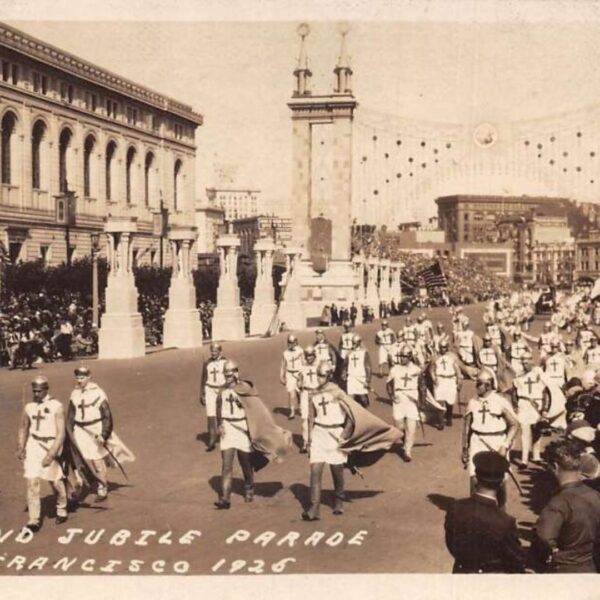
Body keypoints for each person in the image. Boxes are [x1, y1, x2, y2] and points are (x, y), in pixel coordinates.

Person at [215, 360, 292, 509]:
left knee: (245, 463)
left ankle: (249, 486)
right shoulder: (222, 391)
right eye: (226, 375)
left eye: (230, 375)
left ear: (235, 373)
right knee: (226, 465)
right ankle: (225, 498)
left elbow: (254, 403)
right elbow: (218, 407)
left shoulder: (244, 389)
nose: (228, 378)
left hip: (242, 428)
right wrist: (219, 424)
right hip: (228, 428)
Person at [445, 451, 525, 573]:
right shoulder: (505, 522)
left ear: (476, 479)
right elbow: (515, 562)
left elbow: (451, 544)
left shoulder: (456, 507)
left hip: (461, 573)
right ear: (502, 483)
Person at [67, 366, 133, 502]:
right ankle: (81, 486)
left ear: (89, 377)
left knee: (97, 460)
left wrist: (104, 434)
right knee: (77, 459)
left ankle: (102, 487)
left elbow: (107, 415)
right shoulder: (75, 393)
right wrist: (68, 431)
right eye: (78, 377)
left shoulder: (98, 393)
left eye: (83, 377)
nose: (80, 380)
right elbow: (71, 415)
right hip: (80, 430)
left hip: (95, 429)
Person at [533, 438, 600, 572]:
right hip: (590, 567)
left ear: (555, 466)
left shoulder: (558, 502)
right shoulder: (595, 495)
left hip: (564, 570)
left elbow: (544, 537)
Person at [302, 362, 354, 521]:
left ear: (330, 375)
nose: (318, 378)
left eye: (322, 375)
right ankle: (314, 508)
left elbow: (352, 417)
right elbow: (311, 418)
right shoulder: (313, 394)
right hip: (319, 433)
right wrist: (309, 441)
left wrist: (344, 435)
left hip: (335, 434)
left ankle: (339, 499)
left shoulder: (339, 393)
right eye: (317, 374)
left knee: (336, 470)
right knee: (315, 471)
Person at [16, 375, 68, 532]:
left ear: (46, 389)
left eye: (39, 391)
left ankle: (62, 508)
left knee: (55, 481)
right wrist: (21, 447)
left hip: (50, 445)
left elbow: (61, 434)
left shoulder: (57, 406)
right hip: (33, 445)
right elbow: (23, 428)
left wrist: (51, 454)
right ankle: (34, 519)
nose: (36, 394)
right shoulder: (29, 407)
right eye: (34, 391)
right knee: (32, 482)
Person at [462, 369, 519, 507]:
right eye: (477, 383)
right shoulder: (472, 402)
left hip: (497, 440)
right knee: (474, 478)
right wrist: (464, 448)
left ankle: (501, 511)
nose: (477, 387)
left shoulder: (500, 401)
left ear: (488, 385)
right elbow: (466, 428)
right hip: (477, 440)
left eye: (480, 384)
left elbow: (514, 425)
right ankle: (476, 511)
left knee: (499, 480)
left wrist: (505, 445)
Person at [512, 352, 551, 469]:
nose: (525, 364)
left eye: (527, 361)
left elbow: (545, 393)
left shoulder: (538, 374)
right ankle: (524, 460)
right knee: (525, 432)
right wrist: (515, 405)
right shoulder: (518, 376)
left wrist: (544, 409)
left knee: (537, 432)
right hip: (523, 405)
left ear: (532, 361)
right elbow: (514, 393)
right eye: (523, 362)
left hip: (537, 404)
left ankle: (536, 456)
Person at [386, 344, 424, 462]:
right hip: (399, 399)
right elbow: (388, 385)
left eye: (404, 356)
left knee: (411, 428)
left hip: (412, 400)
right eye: (401, 356)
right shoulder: (394, 369)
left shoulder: (416, 370)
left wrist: (421, 402)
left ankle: (407, 451)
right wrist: (392, 396)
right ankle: (405, 440)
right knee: (399, 426)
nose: (402, 358)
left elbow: (422, 386)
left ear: (409, 357)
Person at [200, 342, 228, 452]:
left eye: (216, 351)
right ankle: (212, 439)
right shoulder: (207, 363)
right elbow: (203, 378)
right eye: (212, 351)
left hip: (222, 389)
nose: (213, 353)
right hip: (210, 389)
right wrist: (202, 393)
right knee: (210, 413)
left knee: (221, 413)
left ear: (221, 351)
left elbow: (231, 377)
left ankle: (223, 435)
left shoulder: (225, 362)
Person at [431, 339, 463, 428]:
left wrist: (459, 381)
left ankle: (449, 417)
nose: (443, 349)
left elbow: (457, 370)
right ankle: (441, 422)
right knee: (439, 401)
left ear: (447, 347)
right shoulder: (435, 357)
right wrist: (434, 379)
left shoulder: (452, 357)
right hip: (440, 380)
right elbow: (432, 370)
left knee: (450, 400)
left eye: (444, 347)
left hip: (450, 380)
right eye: (441, 347)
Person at [297, 345, 320, 454]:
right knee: (304, 418)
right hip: (305, 393)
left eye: (311, 355)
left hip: (316, 393)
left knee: (316, 418)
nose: (309, 358)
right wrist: (299, 384)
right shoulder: (302, 368)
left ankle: (316, 441)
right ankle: (305, 442)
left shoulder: (318, 367)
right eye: (307, 356)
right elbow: (299, 381)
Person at [342, 333, 372, 408]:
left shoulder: (364, 352)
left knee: (363, 398)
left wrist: (368, 380)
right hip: (351, 378)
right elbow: (345, 365)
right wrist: (344, 373)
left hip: (361, 377)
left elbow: (368, 366)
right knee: (350, 398)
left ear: (359, 343)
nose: (353, 345)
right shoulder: (349, 353)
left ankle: (366, 410)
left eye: (355, 343)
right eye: (352, 343)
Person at [279, 334, 304, 419]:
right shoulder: (285, 353)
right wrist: (281, 376)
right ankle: (292, 411)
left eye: (293, 342)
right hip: (289, 374)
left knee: (300, 393)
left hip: (299, 374)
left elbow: (304, 363)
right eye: (290, 342)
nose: (291, 344)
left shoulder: (300, 351)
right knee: (291, 393)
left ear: (296, 342)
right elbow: (283, 365)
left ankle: (301, 408)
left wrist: (303, 375)